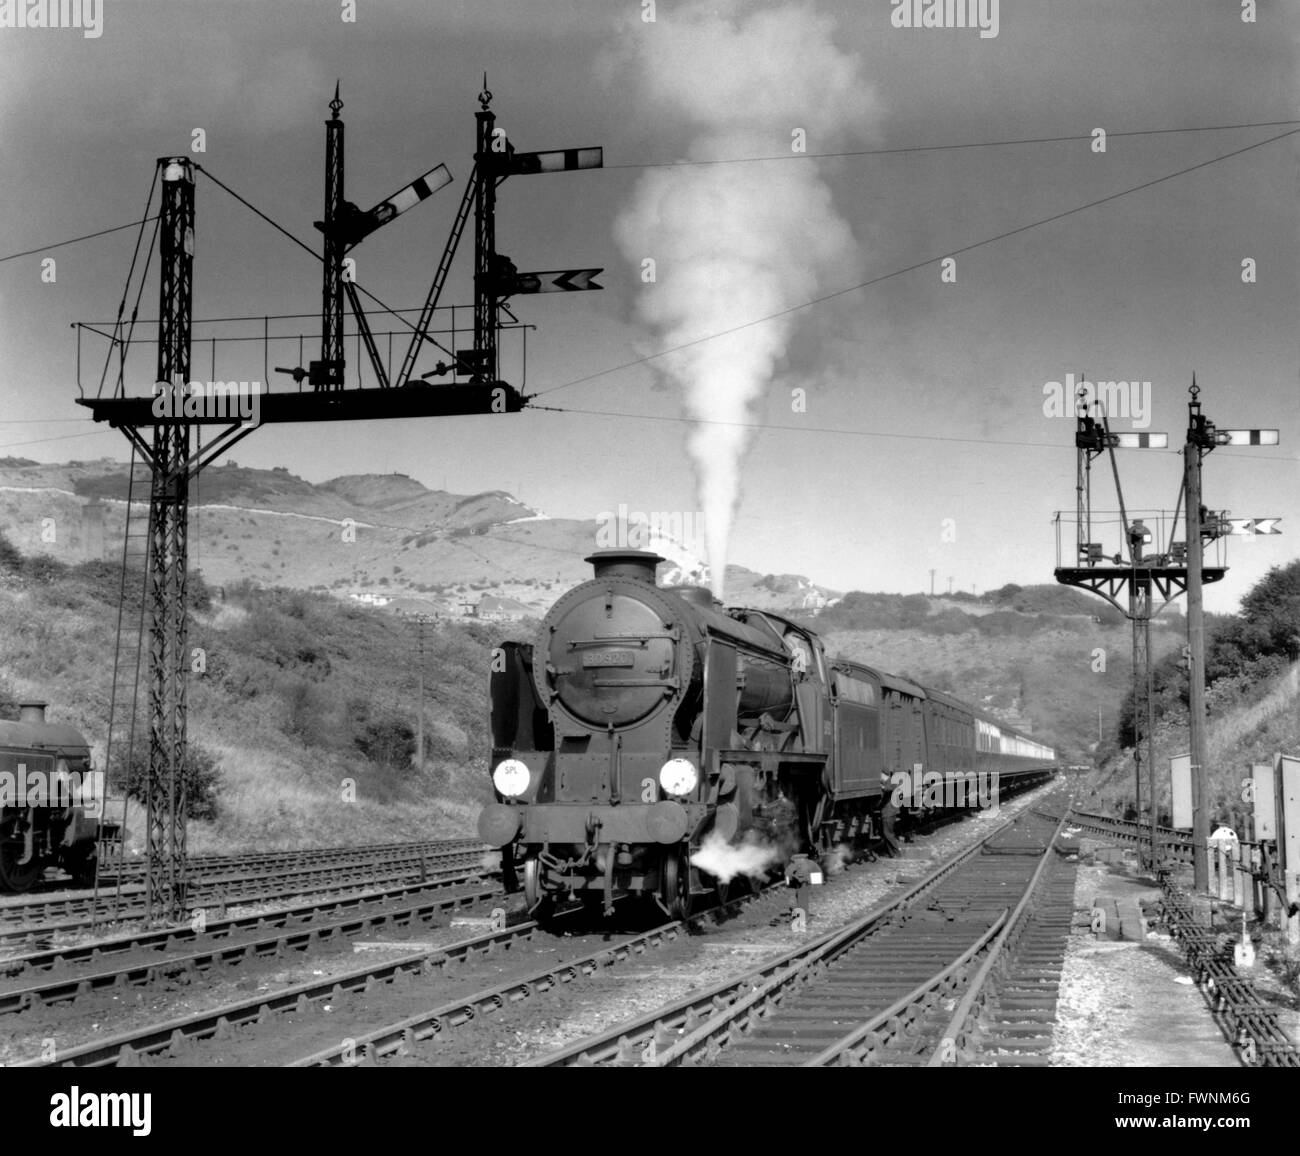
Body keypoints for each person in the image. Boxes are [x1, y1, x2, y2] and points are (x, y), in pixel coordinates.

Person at [879, 772, 901, 858]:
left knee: (888, 833)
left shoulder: (891, 781)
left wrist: (881, 787)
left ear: (883, 775)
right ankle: (892, 854)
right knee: (886, 833)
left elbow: (889, 789)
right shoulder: (889, 781)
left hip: (890, 812)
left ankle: (897, 853)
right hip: (888, 812)